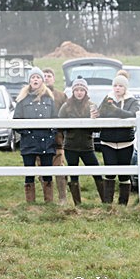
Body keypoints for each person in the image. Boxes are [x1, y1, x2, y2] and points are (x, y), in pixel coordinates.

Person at [14, 67, 57, 203]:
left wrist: (51, 133)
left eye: (38, 77)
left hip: (46, 142)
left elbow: (56, 119)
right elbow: (16, 121)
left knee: (47, 174)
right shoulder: (22, 100)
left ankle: (49, 202)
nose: (35, 79)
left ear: (42, 80)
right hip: (29, 142)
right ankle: (30, 203)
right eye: (33, 77)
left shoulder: (49, 99)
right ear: (29, 81)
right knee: (29, 174)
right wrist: (27, 133)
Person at [58, 78, 102, 205]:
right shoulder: (66, 106)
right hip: (70, 146)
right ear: (73, 91)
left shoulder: (91, 106)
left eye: (81, 90)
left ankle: (105, 202)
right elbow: (59, 126)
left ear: (85, 91)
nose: (79, 92)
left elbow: (98, 128)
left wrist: (93, 120)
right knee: (74, 175)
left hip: (87, 146)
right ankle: (77, 204)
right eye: (76, 90)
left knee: (97, 172)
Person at [98, 75, 140, 205]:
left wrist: (116, 111)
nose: (117, 88)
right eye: (115, 85)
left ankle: (123, 204)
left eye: (120, 86)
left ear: (125, 88)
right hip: (107, 142)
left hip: (126, 142)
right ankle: (108, 203)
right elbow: (101, 113)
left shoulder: (132, 101)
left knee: (124, 174)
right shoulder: (107, 99)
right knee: (110, 172)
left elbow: (133, 115)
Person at [42, 67, 68, 205]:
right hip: (40, 140)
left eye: (49, 75)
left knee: (60, 169)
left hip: (57, 139)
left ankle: (62, 198)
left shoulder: (61, 96)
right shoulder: (35, 95)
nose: (46, 78)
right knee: (42, 170)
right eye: (44, 75)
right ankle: (48, 200)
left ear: (53, 78)